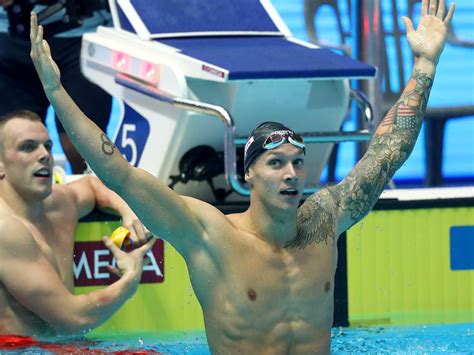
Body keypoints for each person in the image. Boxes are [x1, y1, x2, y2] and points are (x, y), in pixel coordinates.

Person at [30, 0, 455, 352]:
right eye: (275, 163)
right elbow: (118, 173)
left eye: (297, 161)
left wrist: (426, 65)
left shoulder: (324, 220)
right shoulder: (210, 235)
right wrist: (56, 93)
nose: (291, 174)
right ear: (248, 174)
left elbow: (387, 154)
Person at [0, 110, 155, 337]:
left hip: (61, 347)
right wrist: (129, 282)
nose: (44, 155)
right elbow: (73, 319)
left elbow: (92, 186)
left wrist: (129, 211)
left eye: (48, 146)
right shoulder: (5, 229)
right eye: (28, 147)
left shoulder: (58, 203)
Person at [0, 0, 111, 173]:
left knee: (82, 149)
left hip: (84, 34)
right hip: (9, 36)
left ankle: (91, 193)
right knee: (17, 145)